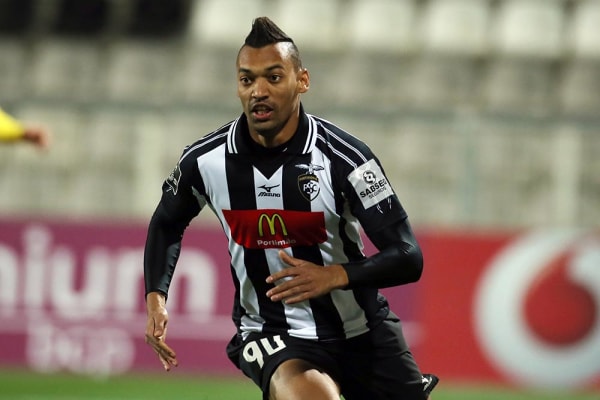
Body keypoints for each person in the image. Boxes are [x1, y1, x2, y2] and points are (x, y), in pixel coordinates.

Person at [144, 16, 439, 400]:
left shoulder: (347, 159)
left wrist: (335, 275)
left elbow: (408, 256)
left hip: (363, 331)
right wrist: (156, 298)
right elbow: (166, 222)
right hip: (272, 334)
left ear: (302, 81)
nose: (258, 91)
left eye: (273, 77)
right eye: (247, 80)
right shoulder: (205, 161)